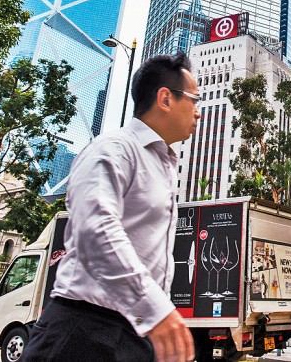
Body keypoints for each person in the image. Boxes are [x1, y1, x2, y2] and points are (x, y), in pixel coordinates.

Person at [24, 53, 201, 362]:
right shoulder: (114, 150)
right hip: (83, 333)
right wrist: (154, 309)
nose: (198, 113)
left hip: (133, 332)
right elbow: (97, 230)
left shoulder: (165, 165)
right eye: (194, 100)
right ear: (165, 99)